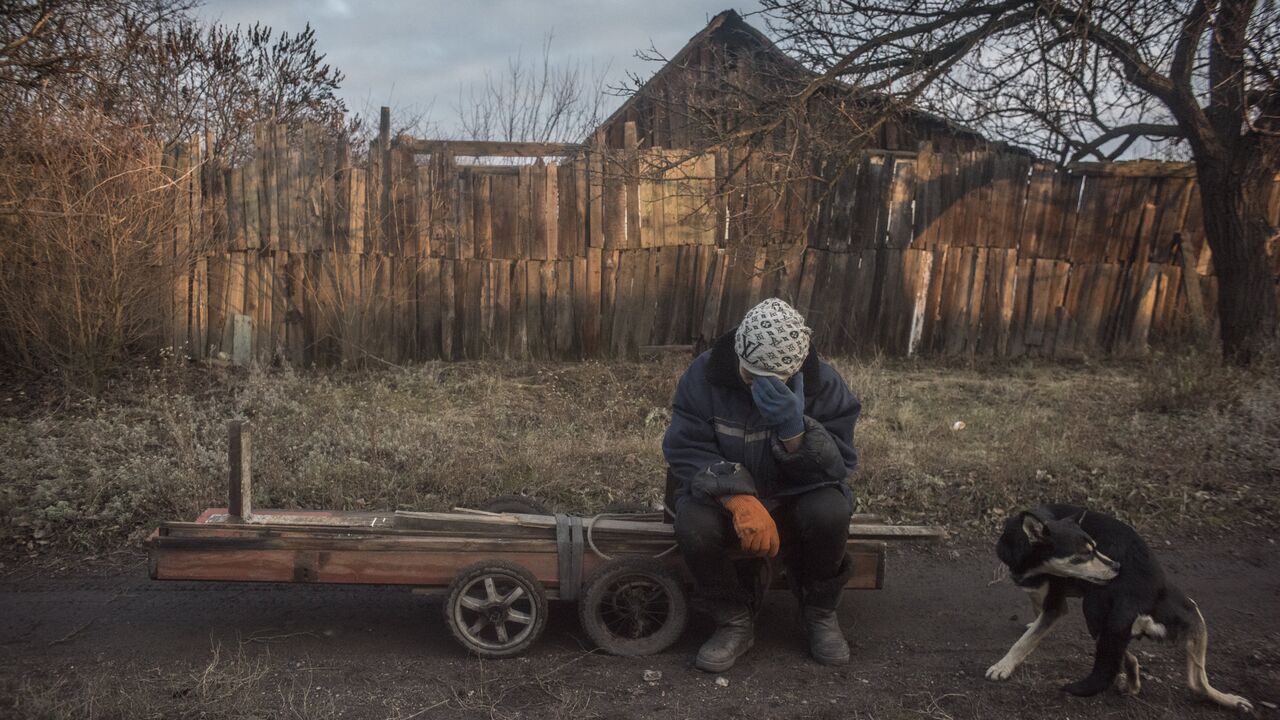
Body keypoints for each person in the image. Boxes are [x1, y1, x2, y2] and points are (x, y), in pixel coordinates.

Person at [662, 298, 860, 672]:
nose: (755, 387)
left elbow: (839, 465)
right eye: (749, 376)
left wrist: (795, 432)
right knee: (693, 525)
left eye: (769, 381)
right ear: (738, 351)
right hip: (723, 499)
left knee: (832, 511)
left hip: (793, 495)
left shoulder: (825, 385)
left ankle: (818, 612)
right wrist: (736, 496)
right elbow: (684, 448)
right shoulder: (703, 376)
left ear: (795, 369)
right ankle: (733, 620)